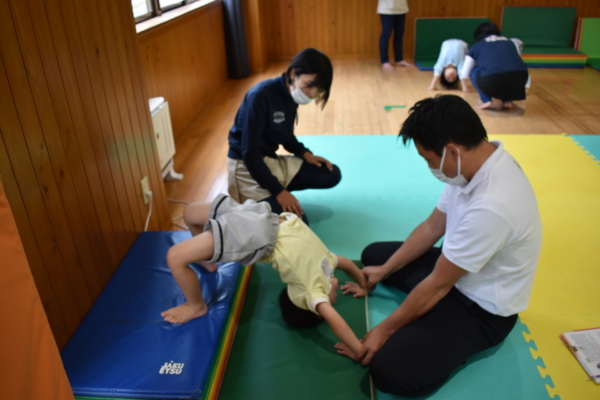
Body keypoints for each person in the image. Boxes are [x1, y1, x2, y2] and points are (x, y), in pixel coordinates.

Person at [335, 95, 542, 397]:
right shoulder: (471, 164)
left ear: (451, 150)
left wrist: (385, 329)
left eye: (428, 159)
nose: (429, 166)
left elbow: (437, 286)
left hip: (482, 309)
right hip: (457, 271)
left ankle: (443, 344)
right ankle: (411, 303)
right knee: (375, 256)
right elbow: (433, 226)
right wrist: (385, 269)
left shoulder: (493, 204)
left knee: (388, 371)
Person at [161, 194, 368, 356]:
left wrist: (358, 350)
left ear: (311, 307)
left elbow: (335, 321)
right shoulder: (328, 261)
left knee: (175, 257)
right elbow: (348, 264)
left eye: (330, 303)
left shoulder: (312, 291)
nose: (335, 298)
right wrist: (363, 285)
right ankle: (207, 258)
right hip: (260, 216)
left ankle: (195, 306)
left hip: (254, 237)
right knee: (189, 213)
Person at [227, 48, 341, 224]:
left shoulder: (291, 95)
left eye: (318, 88)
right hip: (245, 166)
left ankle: (270, 196)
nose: (312, 93)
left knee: (331, 174)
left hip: (268, 161)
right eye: (309, 84)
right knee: (299, 223)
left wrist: (305, 154)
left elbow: (285, 135)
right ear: (293, 73)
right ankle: (262, 199)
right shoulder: (260, 95)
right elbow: (249, 152)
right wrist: (279, 191)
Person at [460, 22, 529, 110]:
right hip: (520, 79)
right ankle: (507, 100)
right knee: (508, 72)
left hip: (492, 80)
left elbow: (464, 73)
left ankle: (486, 100)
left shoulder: (477, 46)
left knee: (474, 71)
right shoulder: (510, 42)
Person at [377, 0, 413, 71]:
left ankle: (399, 59)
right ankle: (384, 61)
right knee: (386, 34)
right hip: (386, 9)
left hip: (401, 9)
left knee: (399, 33)